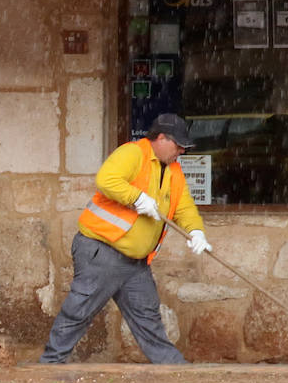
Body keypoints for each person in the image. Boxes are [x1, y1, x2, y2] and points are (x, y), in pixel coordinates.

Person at [40, 112, 212, 364]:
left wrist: (196, 231)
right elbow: (106, 180)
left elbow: (183, 207)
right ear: (161, 138)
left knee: (147, 318)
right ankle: (50, 364)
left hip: (134, 262)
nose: (182, 152)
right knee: (80, 311)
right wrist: (137, 198)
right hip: (103, 251)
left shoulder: (173, 171)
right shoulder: (133, 153)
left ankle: (174, 369)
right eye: (179, 146)